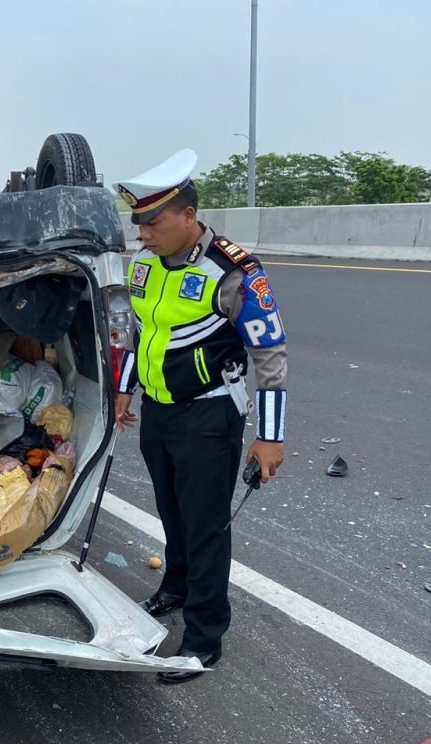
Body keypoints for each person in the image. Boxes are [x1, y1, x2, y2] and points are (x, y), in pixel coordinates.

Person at [113, 149, 287, 683]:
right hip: (160, 413)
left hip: (210, 415)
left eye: (154, 222)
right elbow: (141, 332)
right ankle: (176, 587)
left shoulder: (235, 271)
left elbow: (270, 354)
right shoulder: (143, 265)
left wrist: (270, 438)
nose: (144, 234)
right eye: (139, 223)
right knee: (171, 508)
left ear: (188, 215)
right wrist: (125, 388)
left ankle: (204, 638)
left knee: (207, 526)